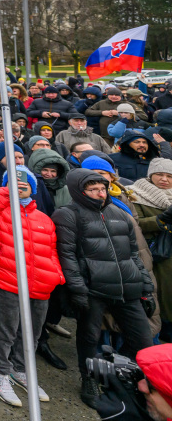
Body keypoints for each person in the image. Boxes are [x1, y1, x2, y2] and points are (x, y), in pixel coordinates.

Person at [55, 167, 156, 408]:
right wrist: (78, 290)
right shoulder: (67, 214)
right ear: (79, 192)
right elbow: (66, 255)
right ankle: (89, 379)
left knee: (144, 340)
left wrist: (146, 287)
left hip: (127, 288)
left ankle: (126, 375)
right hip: (94, 289)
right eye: (93, 189)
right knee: (89, 338)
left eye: (102, 188)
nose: (100, 193)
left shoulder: (119, 214)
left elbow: (133, 254)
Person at [0, 164, 63, 406]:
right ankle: (0, 373)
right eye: (16, 184)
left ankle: (21, 371)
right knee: (5, 331)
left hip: (41, 286)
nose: (21, 188)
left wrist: (56, 275)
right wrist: (6, 191)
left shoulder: (44, 218)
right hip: (7, 280)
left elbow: (52, 251)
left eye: (26, 185)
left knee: (32, 333)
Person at [132, 159, 172, 342]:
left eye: (169, 176)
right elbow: (135, 223)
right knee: (161, 294)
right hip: (155, 253)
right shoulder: (136, 194)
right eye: (159, 175)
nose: (164, 179)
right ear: (150, 176)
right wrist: (161, 219)